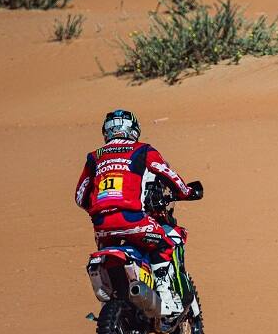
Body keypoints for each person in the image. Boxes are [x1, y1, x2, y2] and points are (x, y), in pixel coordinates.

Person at [74, 109, 201, 317]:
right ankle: (165, 295)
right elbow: (166, 172)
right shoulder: (142, 150)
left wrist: (101, 208)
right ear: (133, 129)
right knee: (165, 243)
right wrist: (186, 192)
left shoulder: (95, 157)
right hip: (133, 219)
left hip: (102, 227)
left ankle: (111, 306)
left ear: (106, 132)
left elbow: (80, 197)